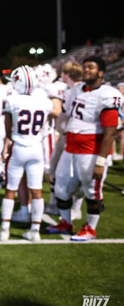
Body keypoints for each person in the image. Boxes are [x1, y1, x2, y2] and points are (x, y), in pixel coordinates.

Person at [47, 56, 121, 241]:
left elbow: (110, 132)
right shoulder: (76, 89)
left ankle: (90, 228)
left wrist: (101, 161)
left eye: (91, 67)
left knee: (92, 191)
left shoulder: (107, 95)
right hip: (71, 148)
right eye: (85, 67)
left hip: (91, 151)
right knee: (61, 187)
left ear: (101, 73)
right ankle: (65, 222)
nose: (86, 70)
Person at [0, 65, 61, 242]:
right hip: (36, 149)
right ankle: (35, 231)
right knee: (37, 190)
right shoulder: (44, 101)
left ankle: (4, 230)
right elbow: (47, 123)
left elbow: (8, 130)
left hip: (18, 147)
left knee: (10, 189)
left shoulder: (12, 100)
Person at [45, 61, 84, 218]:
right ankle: (56, 203)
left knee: (75, 174)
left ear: (67, 74)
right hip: (64, 135)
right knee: (54, 171)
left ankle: (75, 207)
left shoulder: (79, 91)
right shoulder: (69, 90)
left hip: (75, 137)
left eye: (63, 73)